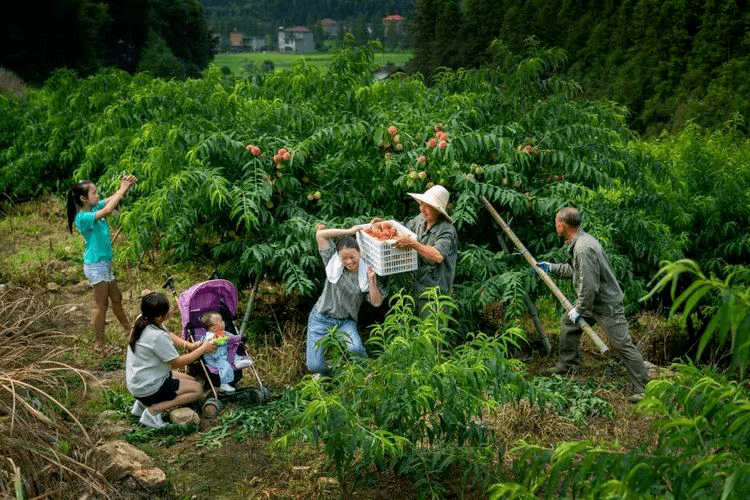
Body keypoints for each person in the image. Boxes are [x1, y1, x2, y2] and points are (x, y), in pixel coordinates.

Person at [536, 207, 649, 402]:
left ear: (563, 224)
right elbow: (576, 271)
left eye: (556, 222)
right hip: (593, 302)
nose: (555, 225)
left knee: (622, 344)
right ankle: (569, 365)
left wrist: (579, 309)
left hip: (606, 304)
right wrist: (551, 267)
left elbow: (588, 286)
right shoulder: (581, 242)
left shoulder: (583, 248)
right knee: (568, 323)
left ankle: (644, 388)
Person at [66, 175, 137, 354]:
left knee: (117, 299)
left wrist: (125, 187)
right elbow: (107, 210)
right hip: (95, 265)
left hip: (104, 264)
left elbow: (109, 200)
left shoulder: (93, 207)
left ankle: (130, 331)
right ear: (83, 198)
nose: (98, 195)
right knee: (101, 305)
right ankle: (99, 344)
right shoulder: (82, 217)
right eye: (94, 192)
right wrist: (122, 189)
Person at [126, 292, 217, 429]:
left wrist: (189, 345)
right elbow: (177, 363)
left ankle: (142, 404)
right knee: (197, 390)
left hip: (140, 380)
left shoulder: (144, 319)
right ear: (159, 315)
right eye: (168, 307)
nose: (172, 308)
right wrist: (202, 348)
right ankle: (153, 411)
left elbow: (168, 334)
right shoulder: (156, 337)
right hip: (148, 386)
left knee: (192, 381)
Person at [307, 224, 385, 374]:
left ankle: (368, 377)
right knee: (314, 366)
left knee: (355, 349)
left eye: (352, 257)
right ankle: (329, 374)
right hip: (320, 319)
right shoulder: (332, 263)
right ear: (338, 257)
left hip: (345, 322)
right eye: (344, 258)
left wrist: (372, 280)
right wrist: (349, 231)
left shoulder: (367, 270)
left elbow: (376, 302)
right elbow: (320, 235)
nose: (349, 262)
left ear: (360, 253)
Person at [393, 184, 458, 316]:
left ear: (438, 210)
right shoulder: (419, 221)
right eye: (422, 204)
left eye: (427, 206)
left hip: (435, 295)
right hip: (414, 289)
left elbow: (438, 256)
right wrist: (384, 223)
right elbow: (403, 229)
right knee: (409, 330)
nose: (422, 209)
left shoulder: (446, 230)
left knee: (432, 333)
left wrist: (413, 244)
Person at [200, 311, 254, 393]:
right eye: (220, 321)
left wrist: (237, 338)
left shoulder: (224, 333)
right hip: (215, 358)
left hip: (224, 355)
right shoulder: (210, 336)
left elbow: (232, 337)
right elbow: (210, 342)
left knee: (233, 354)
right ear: (214, 328)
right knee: (225, 365)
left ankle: (236, 362)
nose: (224, 322)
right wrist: (219, 340)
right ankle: (224, 384)